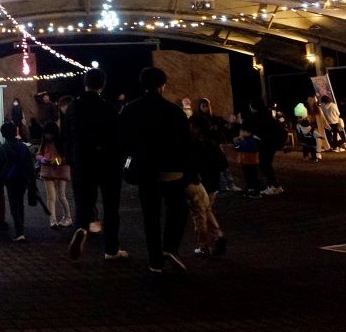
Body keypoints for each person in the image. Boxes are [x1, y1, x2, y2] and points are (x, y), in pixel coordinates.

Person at [118, 66, 190, 275]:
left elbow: (123, 141)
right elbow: (185, 143)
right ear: (163, 85)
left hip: (144, 170)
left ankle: (155, 260)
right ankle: (170, 247)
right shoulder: (174, 111)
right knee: (178, 210)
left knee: (151, 216)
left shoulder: (130, 110)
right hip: (172, 170)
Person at [64, 68, 127, 261]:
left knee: (83, 202)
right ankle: (111, 249)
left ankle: (82, 228)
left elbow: (65, 136)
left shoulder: (73, 107)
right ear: (103, 85)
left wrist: (72, 159)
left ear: (85, 82)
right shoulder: (108, 108)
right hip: (107, 163)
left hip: (82, 162)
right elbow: (119, 138)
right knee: (110, 207)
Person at [186, 113, 227, 257]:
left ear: (196, 128)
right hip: (214, 183)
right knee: (206, 210)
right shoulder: (212, 143)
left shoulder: (194, 144)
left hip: (201, 183)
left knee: (199, 214)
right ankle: (218, 236)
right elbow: (223, 163)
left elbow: (191, 164)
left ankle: (204, 246)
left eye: (191, 125)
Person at [0, 121, 36, 242]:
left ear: (3, 134)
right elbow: (30, 166)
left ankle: (19, 231)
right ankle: (21, 227)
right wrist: (32, 182)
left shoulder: (4, 148)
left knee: (14, 204)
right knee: (20, 203)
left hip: (11, 179)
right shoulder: (23, 147)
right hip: (23, 179)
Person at [37, 122, 72, 227]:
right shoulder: (44, 143)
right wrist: (42, 159)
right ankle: (53, 220)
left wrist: (55, 161)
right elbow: (38, 154)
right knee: (51, 197)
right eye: (46, 133)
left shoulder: (61, 143)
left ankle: (68, 217)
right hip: (48, 172)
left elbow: (66, 158)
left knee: (61, 196)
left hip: (61, 172)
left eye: (49, 133)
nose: (47, 136)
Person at [233, 124, 261, 197]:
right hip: (245, 162)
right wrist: (236, 144)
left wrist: (240, 142)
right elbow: (237, 149)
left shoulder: (254, 140)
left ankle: (256, 192)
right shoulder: (245, 140)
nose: (240, 133)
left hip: (252, 162)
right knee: (248, 176)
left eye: (242, 132)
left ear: (248, 132)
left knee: (253, 176)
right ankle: (250, 189)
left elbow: (249, 148)